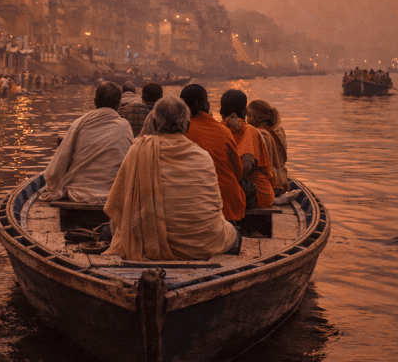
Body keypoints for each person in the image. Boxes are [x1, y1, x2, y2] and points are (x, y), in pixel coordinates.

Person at [104, 96, 240, 260]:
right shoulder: (203, 157)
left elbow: (117, 205)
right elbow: (216, 206)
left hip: (147, 246)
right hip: (202, 246)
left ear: (153, 124)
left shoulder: (138, 150)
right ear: (188, 125)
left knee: (112, 229)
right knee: (234, 234)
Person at [41, 81, 133, 203]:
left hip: (78, 193)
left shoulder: (79, 123)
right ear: (118, 105)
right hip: (114, 193)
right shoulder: (125, 126)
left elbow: (59, 163)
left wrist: (53, 183)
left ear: (94, 101)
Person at [180, 84, 246, 222]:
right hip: (226, 205)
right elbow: (238, 173)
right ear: (207, 105)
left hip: (188, 204)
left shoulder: (177, 133)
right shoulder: (224, 131)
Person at [220, 90, 275, 208]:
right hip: (259, 194)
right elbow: (246, 165)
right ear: (245, 113)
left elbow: (246, 166)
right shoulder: (250, 131)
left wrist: (226, 182)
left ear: (221, 112)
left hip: (252, 194)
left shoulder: (216, 130)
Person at [246, 99, 288, 195]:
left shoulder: (259, 134)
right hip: (283, 183)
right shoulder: (279, 131)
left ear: (256, 117)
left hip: (269, 187)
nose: (247, 120)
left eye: (249, 116)